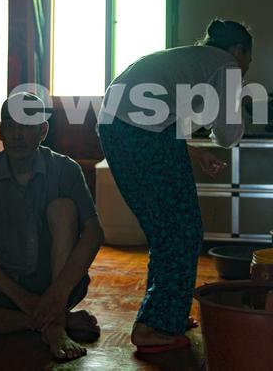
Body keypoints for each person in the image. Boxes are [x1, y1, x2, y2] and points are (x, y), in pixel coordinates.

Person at [97, 19, 252, 353]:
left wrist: (195, 153)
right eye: (248, 61)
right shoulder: (225, 64)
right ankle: (153, 326)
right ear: (238, 50)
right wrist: (238, 98)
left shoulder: (190, 59)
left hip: (116, 128)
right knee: (182, 230)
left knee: (165, 229)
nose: (246, 68)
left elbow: (161, 121)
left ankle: (168, 316)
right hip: (138, 132)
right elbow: (228, 135)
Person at [0, 93, 105, 361]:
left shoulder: (65, 169)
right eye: (10, 126)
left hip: (57, 283)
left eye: (27, 126)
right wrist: (23, 300)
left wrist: (58, 293)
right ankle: (54, 322)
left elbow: (94, 233)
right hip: (5, 287)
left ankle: (54, 315)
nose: (17, 135)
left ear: (42, 131)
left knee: (62, 208)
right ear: (0, 131)